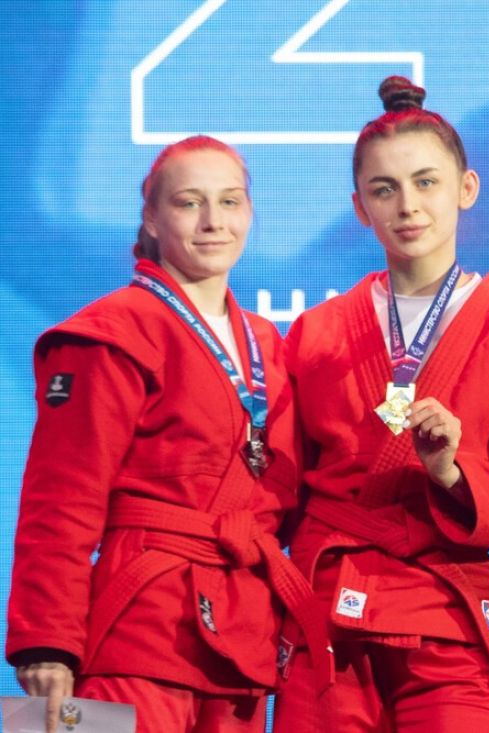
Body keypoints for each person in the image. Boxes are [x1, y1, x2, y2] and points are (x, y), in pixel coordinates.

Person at [271, 76, 489, 732]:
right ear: (360, 207)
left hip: (445, 616)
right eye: (384, 189)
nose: (407, 205)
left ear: (466, 188)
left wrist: (452, 473)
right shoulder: (317, 333)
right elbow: (276, 487)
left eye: (426, 182)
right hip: (328, 618)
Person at [5, 135, 318, 732]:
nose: (213, 222)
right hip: (132, 630)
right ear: (151, 217)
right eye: (189, 202)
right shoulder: (108, 332)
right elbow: (61, 495)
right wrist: (45, 641)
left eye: (229, 201)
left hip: (239, 642)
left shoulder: (268, 345)